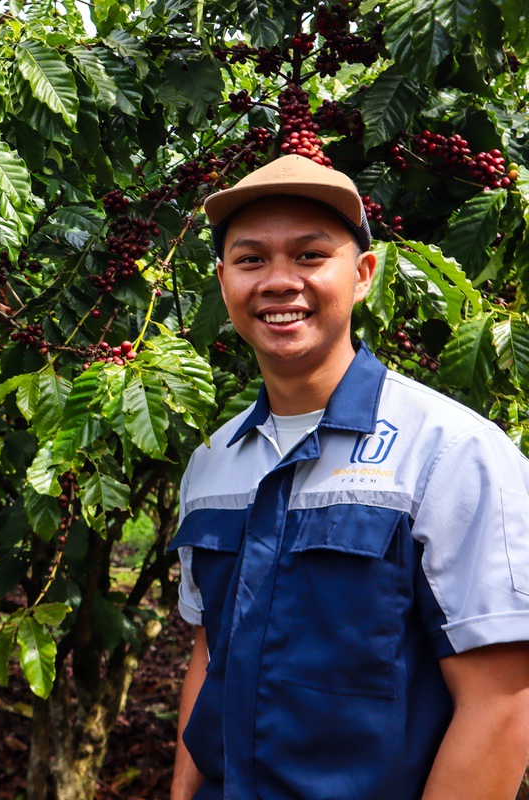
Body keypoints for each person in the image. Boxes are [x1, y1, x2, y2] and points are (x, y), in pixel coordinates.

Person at [168, 155, 529, 800]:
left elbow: (503, 703)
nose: (279, 282)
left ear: (362, 275)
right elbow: (208, 656)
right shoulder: (212, 462)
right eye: (251, 260)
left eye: (310, 256)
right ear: (223, 281)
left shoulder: (450, 452)